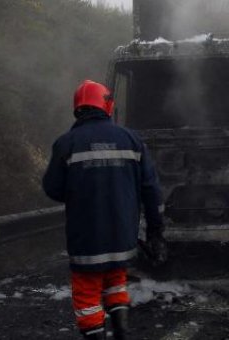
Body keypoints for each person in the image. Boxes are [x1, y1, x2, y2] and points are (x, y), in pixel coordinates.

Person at [43, 80, 167, 339]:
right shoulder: (132, 140)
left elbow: (53, 189)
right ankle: (122, 332)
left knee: (87, 293)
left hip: (86, 237)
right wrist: (156, 231)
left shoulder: (66, 143)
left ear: (77, 108)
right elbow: (151, 190)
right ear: (107, 105)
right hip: (123, 236)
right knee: (115, 282)